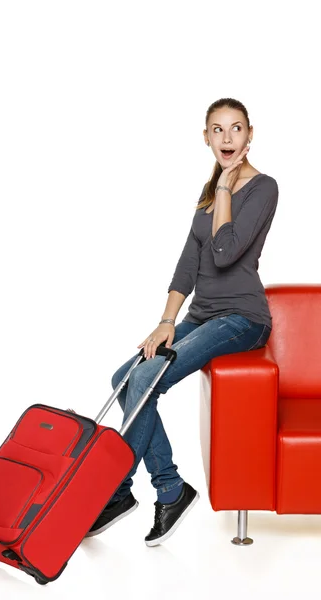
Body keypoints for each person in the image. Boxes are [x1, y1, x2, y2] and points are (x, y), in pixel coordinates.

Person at [85, 97, 278, 547]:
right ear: (205, 136)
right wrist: (166, 322)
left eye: (235, 129)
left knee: (149, 377)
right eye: (217, 130)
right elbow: (189, 263)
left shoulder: (262, 187)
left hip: (242, 318)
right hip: (201, 314)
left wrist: (228, 186)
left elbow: (226, 252)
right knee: (125, 374)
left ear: (251, 135)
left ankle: (119, 491)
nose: (227, 138)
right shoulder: (210, 191)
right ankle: (170, 487)